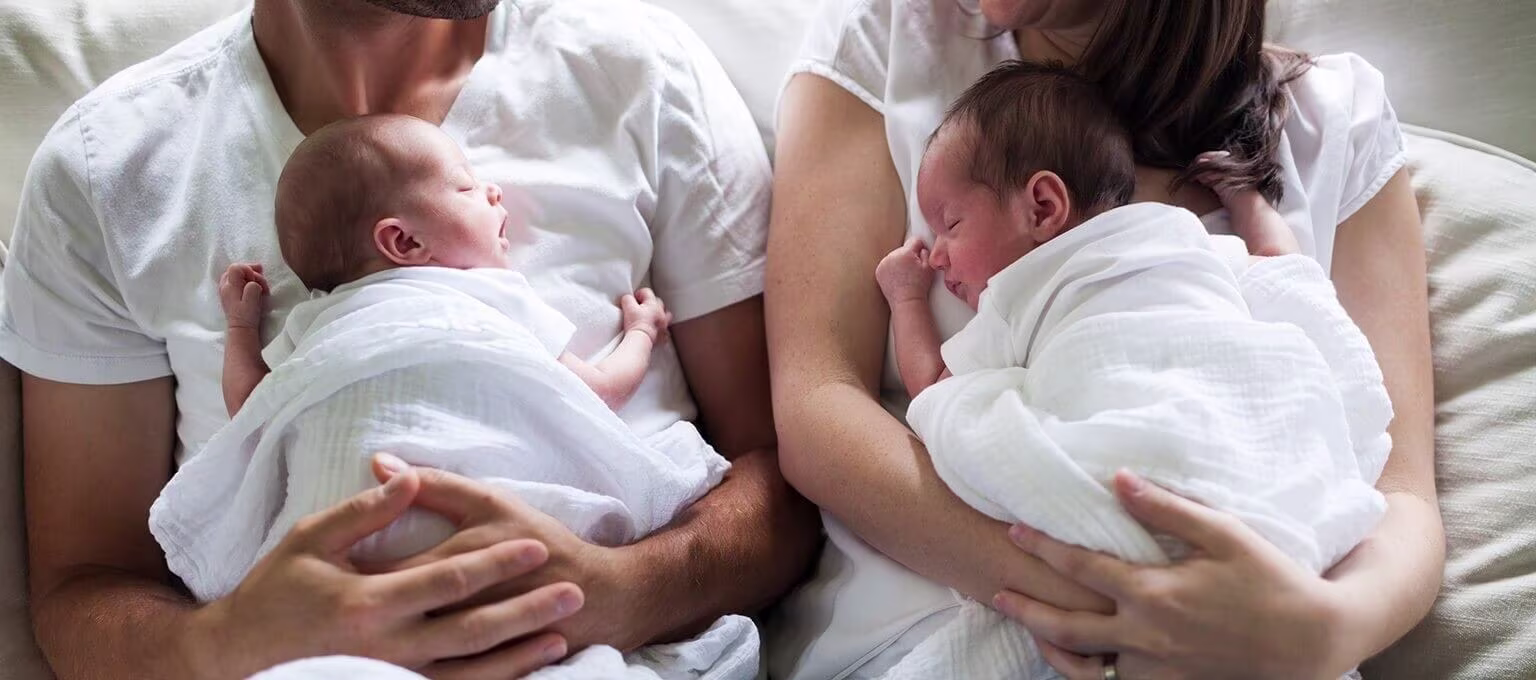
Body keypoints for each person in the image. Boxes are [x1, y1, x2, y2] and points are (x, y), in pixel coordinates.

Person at [0, 1, 819, 678]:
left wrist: (621, 590)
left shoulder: (637, 74)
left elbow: (790, 474)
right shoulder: (105, 170)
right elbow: (81, 588)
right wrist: (228, 642)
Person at [765, 0, 1440, 678]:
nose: (937, 255)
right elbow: (818, 406)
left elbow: (1399, 494)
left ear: (1045, 204)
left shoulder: (1339, 121)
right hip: (945, 632)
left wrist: (1323, 629)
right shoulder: (885, 39)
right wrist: (1128, 601)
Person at [219, 114, 672, 417]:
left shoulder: (318, 321)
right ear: (404, 240)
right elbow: (597, 392)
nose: (493, 190)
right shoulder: (491, 294)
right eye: (466, 188)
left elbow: (250, 407)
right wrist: (642, 332)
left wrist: (241, 328)